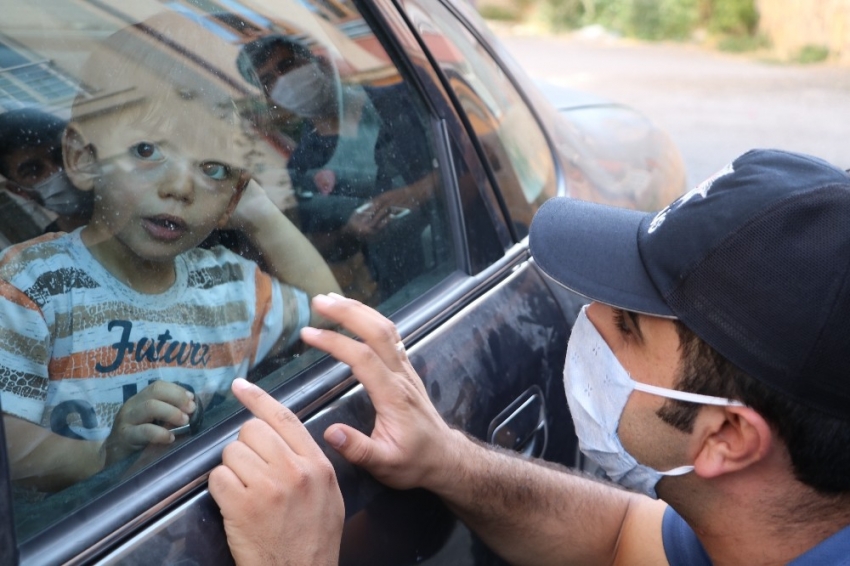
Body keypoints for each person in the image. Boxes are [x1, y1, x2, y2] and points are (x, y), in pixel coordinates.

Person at [209, 148, 850, 565]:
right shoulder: (769, 532)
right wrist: (446, 458)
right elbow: (625, 538)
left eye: (627, 326)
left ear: (729, 436)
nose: (590, 317)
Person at [0, 15, 341, 493]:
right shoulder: (28, 285)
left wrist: (260, 212)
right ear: (82, 157)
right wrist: (104, 454)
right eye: (146, 150)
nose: (180, 187)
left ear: (233, 198)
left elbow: (331, 316)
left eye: (214, 170)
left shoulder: (229, 285)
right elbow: (11, 446)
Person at [236, 35, 439, 301]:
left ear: (321, 65)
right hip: (404, 289)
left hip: (460, 256)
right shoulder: (302, 164)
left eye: (287, 66)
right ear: (268, 96)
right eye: (269, 80)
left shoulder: (402, 101)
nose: (284, 82)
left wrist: (417, 193)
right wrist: (350, 231)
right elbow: (320, 245)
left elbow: (472, 164)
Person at [0, 108, 92, 247]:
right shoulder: (50, 259)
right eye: (33, 170)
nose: (58, 171)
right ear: (18, 190)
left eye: (61, 156)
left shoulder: (135, 208)